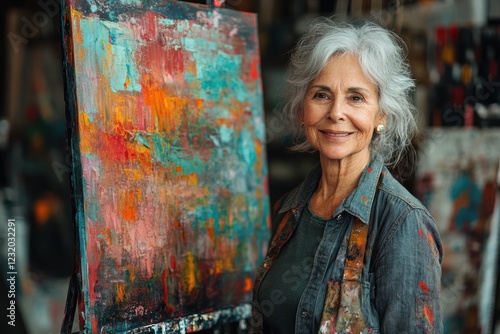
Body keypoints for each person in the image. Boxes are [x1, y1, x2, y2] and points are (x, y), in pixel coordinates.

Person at [251, 18, 443, 333]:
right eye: (321, 95)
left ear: (382, 114)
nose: (336, 112)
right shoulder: (289, 209)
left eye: (356, 97)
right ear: (302, 111)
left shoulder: (402, 223)